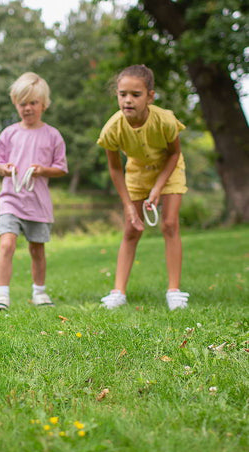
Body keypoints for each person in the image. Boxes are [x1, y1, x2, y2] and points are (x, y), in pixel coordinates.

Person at [97, 64, 189, 310]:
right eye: (122, 94)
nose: (128, 100)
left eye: (135, 95)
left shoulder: (165, 120)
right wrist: (128, 205)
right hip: (137, 172)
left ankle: (174, 291)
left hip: (169, 169)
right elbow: (115, 168)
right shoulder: (112, 128)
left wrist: (158, 188)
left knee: (169, 224)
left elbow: (174, 154)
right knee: (131, 229)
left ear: (150, 96)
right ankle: (118, 292)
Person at [0, 72, 68, 313]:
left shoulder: (53, 135)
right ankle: (1, 295)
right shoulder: (9, 133)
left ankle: (39, 292)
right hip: (10, 200)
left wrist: (43, 170)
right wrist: (4, 168)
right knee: (7, 244)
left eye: (33, 103)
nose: (28, 108)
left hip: (38, 203)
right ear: (16, 104)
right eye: (23, 103)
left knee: (37, 249)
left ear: (44, 104)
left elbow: (61, 168)